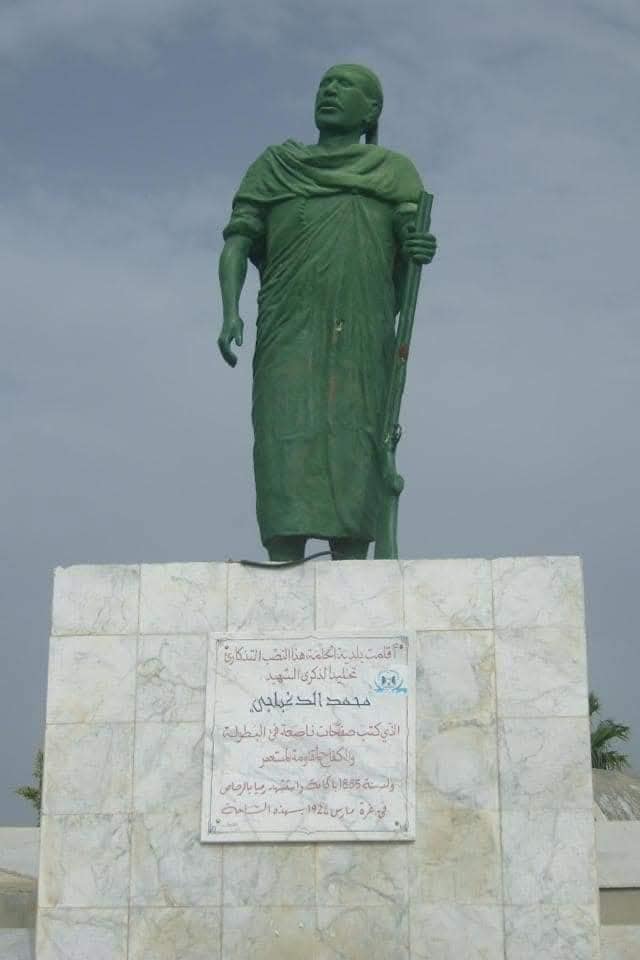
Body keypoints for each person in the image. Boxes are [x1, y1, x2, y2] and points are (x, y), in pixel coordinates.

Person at [218, 64, 437, 561]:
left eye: (345, 85)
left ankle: (353, 567)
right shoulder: (276, 166)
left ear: (371, 110)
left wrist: (416, 247)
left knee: (356, 439)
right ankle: (283, 561)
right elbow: (238, 241)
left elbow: (406, 255)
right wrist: (230, 312)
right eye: (324, 84)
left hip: (361, 330)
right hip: (286, 327)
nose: (330, 91)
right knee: (282, 437)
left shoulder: (394, 173)